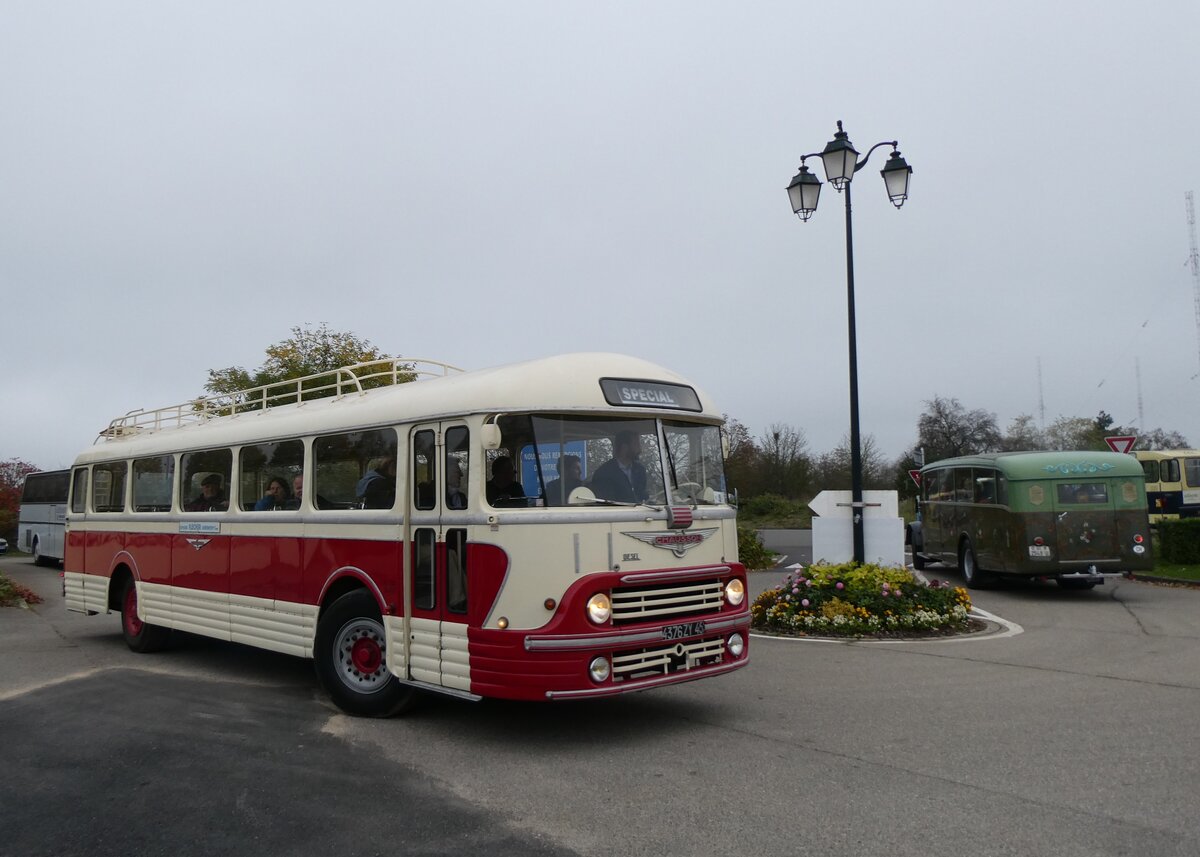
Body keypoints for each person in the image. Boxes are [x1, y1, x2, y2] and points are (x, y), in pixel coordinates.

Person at [589, 430, 647, 503]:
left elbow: (642, 494)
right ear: (624, 447)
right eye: (636, 445)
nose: (640, 450)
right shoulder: (603, 473)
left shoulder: (640, 470)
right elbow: (605, 503)